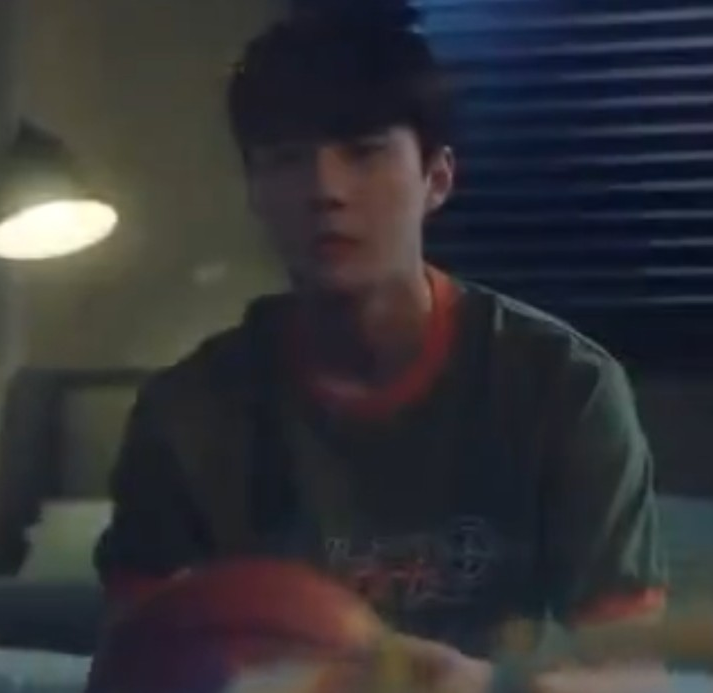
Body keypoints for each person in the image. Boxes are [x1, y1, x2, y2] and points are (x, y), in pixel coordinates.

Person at [94, 1, 666, 681]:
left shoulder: (564, 389)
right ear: (253, 190)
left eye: (364, 153)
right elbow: (132, 665)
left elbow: (631, 675)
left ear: (437, 178)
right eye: (286, 160)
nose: (324, 190)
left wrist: (472, 685)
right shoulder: (185, 416)